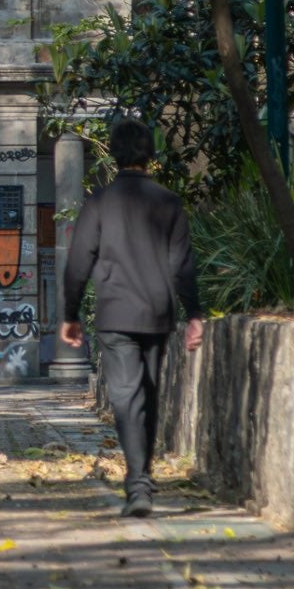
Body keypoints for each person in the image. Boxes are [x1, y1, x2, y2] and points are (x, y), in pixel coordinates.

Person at [59, 116, 203, 519]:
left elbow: (78, 261)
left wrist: (70, 314)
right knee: (149, 394)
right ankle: (142, 479)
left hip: (115, 313)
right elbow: (183, 264)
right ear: (150, 154)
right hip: (158, 313)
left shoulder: (100, 201)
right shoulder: (168, 202)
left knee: (126, 397)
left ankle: (138, 483)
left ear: (115, 153)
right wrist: (194, 314)